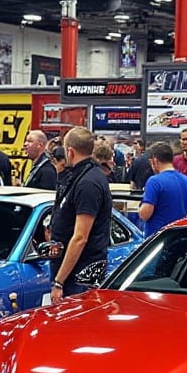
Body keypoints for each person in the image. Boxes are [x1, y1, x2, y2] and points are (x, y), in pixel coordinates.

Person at [48, 126, 112, 303]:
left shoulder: (88, 183)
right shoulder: (78, 176)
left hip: (80, 274)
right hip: (72, 269)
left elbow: (80, 237)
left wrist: (59, 282)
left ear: (70, 151)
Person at [138, 141, 187, 236]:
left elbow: (145, 215)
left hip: (158, 238)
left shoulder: (154, 181)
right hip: (179, 236)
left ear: (154, 161)